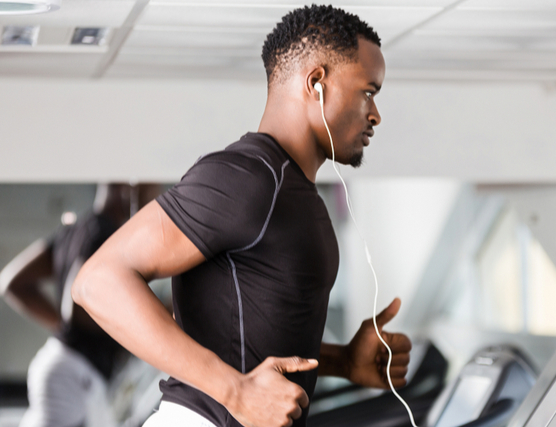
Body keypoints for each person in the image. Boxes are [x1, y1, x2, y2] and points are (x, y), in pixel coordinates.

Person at [71, 5, 412, 427]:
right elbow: (98, 281)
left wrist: (343, 361)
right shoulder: (247, 178)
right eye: (368, 91)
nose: (375, 114)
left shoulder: (295, 193)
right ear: (317, 83)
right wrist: (235, 391)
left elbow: (247, 331)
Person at [0, 183, 161, 427]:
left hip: (67, 366)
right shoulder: (106, 235)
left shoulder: (75, 231)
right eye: (149, 193)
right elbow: (80, 296)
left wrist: (65, 329)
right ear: (128, 189)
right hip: (73, 375)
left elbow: (13, 284)